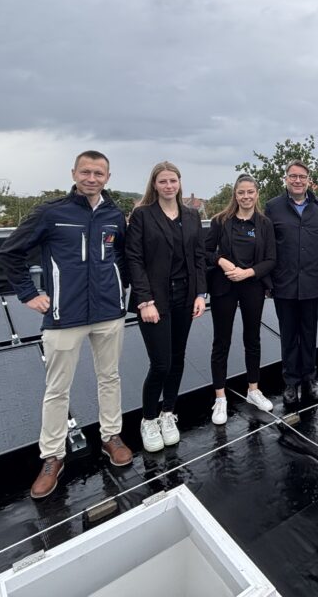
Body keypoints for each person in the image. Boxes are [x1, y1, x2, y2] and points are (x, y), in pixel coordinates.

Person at [0, 150, 132, 499]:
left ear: (108, 176)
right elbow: (11, 252)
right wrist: (29, 294)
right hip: (64, 316)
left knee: (110, 377)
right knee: (57, 389)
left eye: (99, 173)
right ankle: (52, 457)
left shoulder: (114, 215)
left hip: (108, 313)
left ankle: (111, 436)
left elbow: (121, 257)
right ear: (74, 173)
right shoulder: (51, 213)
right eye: (86, 172)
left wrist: (125, 292)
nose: (92, 178)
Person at [125, 161, 208, 451]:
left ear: (180, 182)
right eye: (163, 181)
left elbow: (199, 258)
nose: (169, 186)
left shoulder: (192, 215)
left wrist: (201, 294)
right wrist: (144, 300)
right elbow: (134, 259)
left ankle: (168, 413)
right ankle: (148, 419)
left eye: (173, 180)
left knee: (178, 358)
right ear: (155, 185)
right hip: (154, 300)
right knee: (161, 363)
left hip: (185, 297)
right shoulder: (143, 216)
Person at [205, 173, 277, 425]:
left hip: (252, 287)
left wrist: (248, 272)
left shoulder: (264, 224)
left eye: (250, 192)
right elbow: (205, 251)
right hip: (224, 288)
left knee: (252, 339)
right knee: (221, 342)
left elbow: (271, 259)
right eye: (240, 193)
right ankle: (220, 397)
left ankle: (253, 390)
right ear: (234, 195)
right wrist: (222, 262)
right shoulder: (220, 221)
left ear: (256, 194)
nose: (245, 197)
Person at [264, 160, 318, 406]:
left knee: (309, 334)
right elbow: (267, 247)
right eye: (293, 176)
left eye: (302, 176)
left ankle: (309, 380)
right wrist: (269, 282)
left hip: (311, 283)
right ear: (286, 179)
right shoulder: (273, 208)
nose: (298, 180)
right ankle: (290, 382)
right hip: (284, 285)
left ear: (309, 179)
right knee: (289, 336)